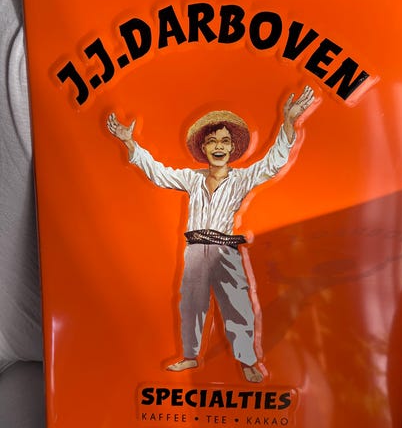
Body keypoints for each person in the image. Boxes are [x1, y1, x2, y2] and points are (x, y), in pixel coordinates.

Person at [107, 86, 316, 382]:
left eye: (225, 141)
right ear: (203, 148)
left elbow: (273, 164)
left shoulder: (241, 178)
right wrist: (130, 142)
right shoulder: (192, 179)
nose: (219, 147)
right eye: (212, 141)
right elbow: (158, 172)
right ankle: (190, 356)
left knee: (237, 305)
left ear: (232, 148)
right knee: (191, 304)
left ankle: (248, 362)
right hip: (195, 250)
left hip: (226, 251)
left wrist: (288, 122)